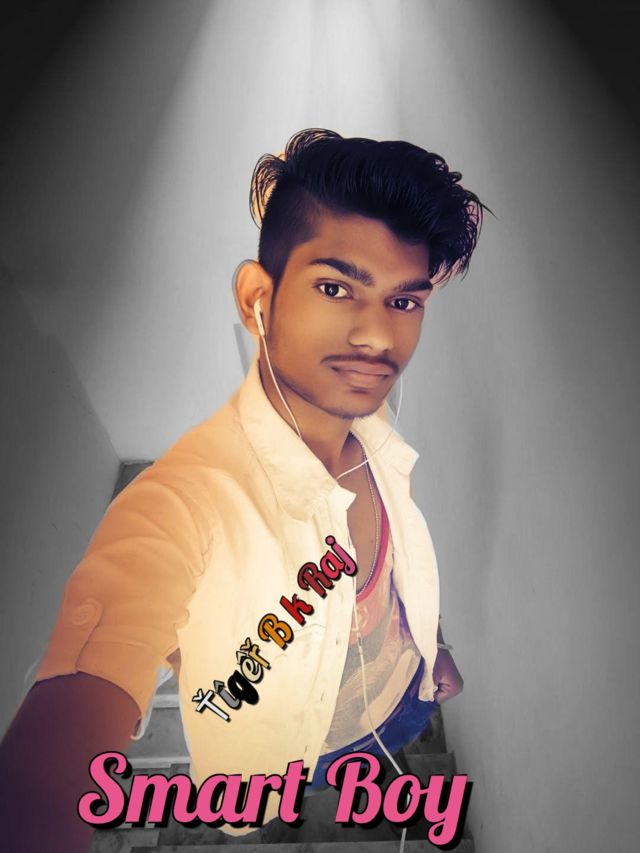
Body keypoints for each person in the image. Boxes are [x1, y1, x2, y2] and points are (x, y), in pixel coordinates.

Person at [0, 128, 485, 851]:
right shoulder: (182, 503)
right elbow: (47, 771)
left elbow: (398, 566)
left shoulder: (378, 428)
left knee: (388, 751)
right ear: (259, 298)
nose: (377, 338)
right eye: (336, 288)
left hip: (398, 698)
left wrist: (430, 645)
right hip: (283, 747)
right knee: (284, 800)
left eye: (404, 301)